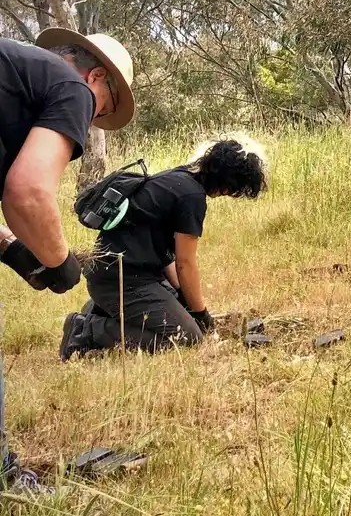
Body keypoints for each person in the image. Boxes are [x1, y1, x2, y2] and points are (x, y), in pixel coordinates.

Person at [0, 28, 137, 491]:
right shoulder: (71, 85)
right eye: (100, 111)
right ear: (96, 76)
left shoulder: (14, 78)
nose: (89, 120)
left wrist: (10, 249)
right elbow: (29, 192)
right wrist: (60, 262)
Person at [58, 135, 268, 360]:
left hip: (116, 276)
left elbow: (168, 257)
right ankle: (86, 330)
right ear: (228, 181)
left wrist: (183, 299)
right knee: (187, 340)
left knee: (181, 312)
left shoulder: (177, 178)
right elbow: (185, 263)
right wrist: (201, 314)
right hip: (123, 281)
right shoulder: (192, 197)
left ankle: (99, 309)